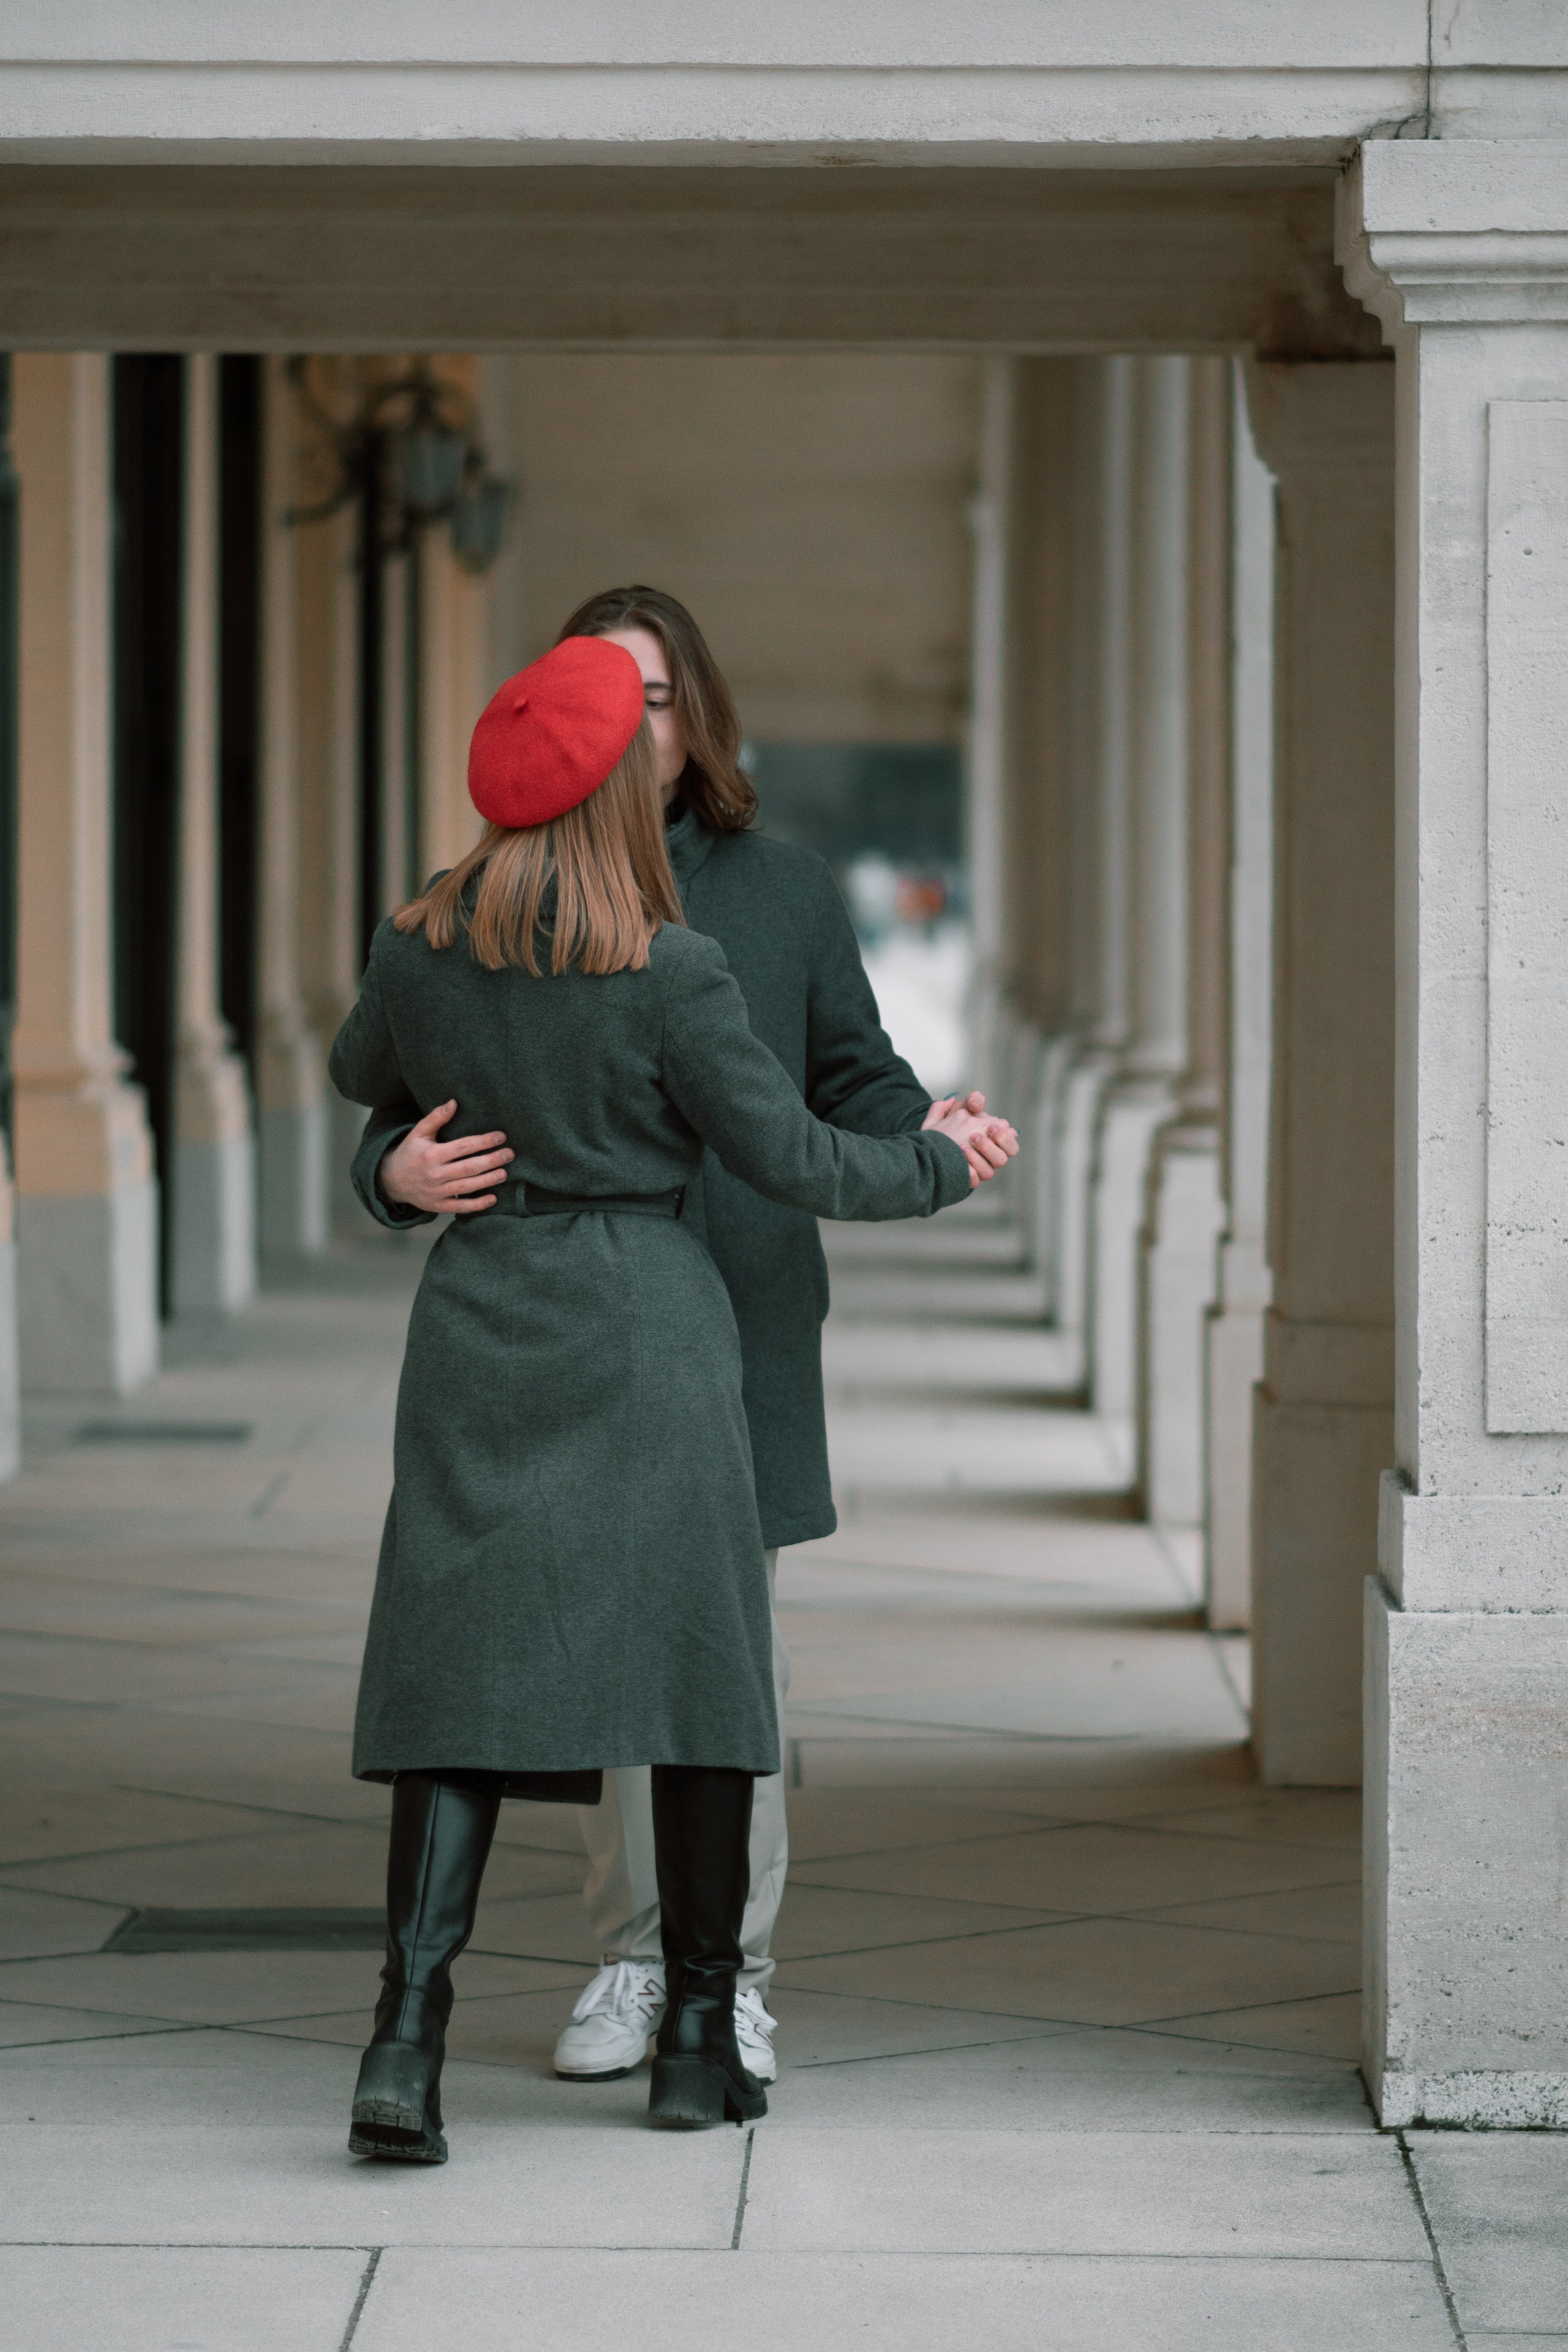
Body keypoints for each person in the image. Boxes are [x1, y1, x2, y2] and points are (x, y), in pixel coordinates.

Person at [331, 633, 1003, 2161]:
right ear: (612, 786)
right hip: (650, 1325)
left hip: (481, 1327)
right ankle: (699, 2037)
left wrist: (396, 1158)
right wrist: (941, 1164)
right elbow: (798, 1156)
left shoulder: (415, 945)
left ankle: (403, 2041)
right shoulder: (669, 965)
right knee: (701, 1681)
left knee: (455, 1683)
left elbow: (357, 1066)